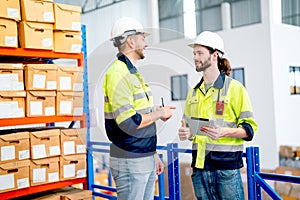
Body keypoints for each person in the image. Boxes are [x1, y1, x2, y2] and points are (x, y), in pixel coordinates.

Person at [178, 31, 258, 200]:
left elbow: (249, 129)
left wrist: (224, 132)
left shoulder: (235, 89)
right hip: (199, 169)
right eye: (194, 53)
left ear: (214, 56)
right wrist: (187, 133)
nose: (195, 57)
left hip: (226, 170)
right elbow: (190, 127)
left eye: (200, 53)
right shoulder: (193, 93)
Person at [103, 17, 176, 200]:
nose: (146, 43)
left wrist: (153, 154)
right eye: (143, 38)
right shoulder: (118, 74)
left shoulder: (132, 73)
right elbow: (128, 122)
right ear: (131, 41)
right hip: (130, 159)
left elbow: (140, 113)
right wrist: (159, 114)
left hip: (143, 156)